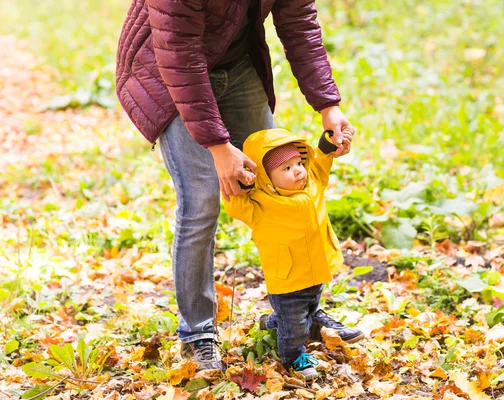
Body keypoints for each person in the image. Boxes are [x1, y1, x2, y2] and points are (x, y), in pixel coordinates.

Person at [115, 0, 356, 371]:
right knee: (202, 199)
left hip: (238, 65)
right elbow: (179, 53)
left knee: (278, 185)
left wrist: (328, 105)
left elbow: (299, 26)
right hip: (170, 72)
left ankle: (298, 312)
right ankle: (196, 332)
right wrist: (217, 145)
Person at [224, 128, 364, 380]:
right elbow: (235, 205)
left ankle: (274, 322)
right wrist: (239, 185)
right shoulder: (259, 205)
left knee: (309, 309)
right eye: (286, 169)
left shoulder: (312, 184)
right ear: (265, 178)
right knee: (296, 325)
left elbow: (320, 163)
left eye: (298, 163)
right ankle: (293, 356)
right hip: (287, 281)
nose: (298, 170)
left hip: (315, 271)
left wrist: (326, 146)